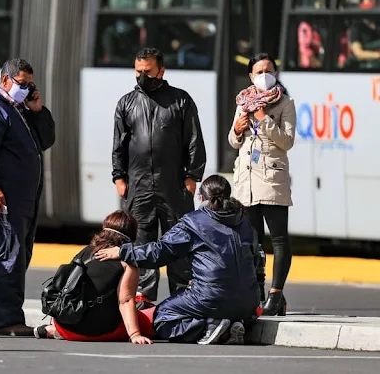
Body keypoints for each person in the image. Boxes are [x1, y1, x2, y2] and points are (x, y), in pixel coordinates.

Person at [95, 175, 261, 345]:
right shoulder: (245, 221)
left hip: (211, 298)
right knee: (226, 303)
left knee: (162, 317)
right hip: (248, 302)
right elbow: (257, 261)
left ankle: (209, 326)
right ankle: (235, 322)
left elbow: (160, 252)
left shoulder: (193, 222)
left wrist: (124, 251)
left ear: (201, 198)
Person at [112, 47, 206, 308]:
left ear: (161, 71)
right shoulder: (126, 103)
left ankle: (181, 298)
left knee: (179, 241)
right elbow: (118, 145)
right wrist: (119, 179)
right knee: (141, 243)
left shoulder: (181, 100)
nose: (142, 77)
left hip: (174, 186)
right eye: (138, 72)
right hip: (138, 187)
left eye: (148, 72)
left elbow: (194, 140)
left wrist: (192, 176)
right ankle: (144, 300)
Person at [0, 58, 55, 336]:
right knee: (9, 253)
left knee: (19, 254)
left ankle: (2, 319)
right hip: (5, 196)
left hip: (23, 197)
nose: (27, 89)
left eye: (30, 85)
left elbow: (46, 140)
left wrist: (38, 111)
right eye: (22, 84)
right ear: (5, 80)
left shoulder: (19, 109)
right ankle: (5, 320)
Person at [228, 52, 296, 316]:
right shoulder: (243, 101)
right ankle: (256, 291)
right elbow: (234, 141)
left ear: (275, 73)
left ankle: (276, 295)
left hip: (272, 178)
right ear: (250, 76)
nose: (264, 75)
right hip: (246, 180)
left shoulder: (285, 102)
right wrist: (237, 129)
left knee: (279, 239)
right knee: (251, 242)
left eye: (268, 70)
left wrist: (263, 119)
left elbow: (287, 141)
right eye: (259, 72)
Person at [33, 210, 154, 344]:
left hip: (65, 324)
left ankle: (54, 330)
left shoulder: (85, 251)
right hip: (98, 332)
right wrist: (135, 335)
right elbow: (125, 301)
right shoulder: (127, 262)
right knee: (152, 316)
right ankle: (57, 331)